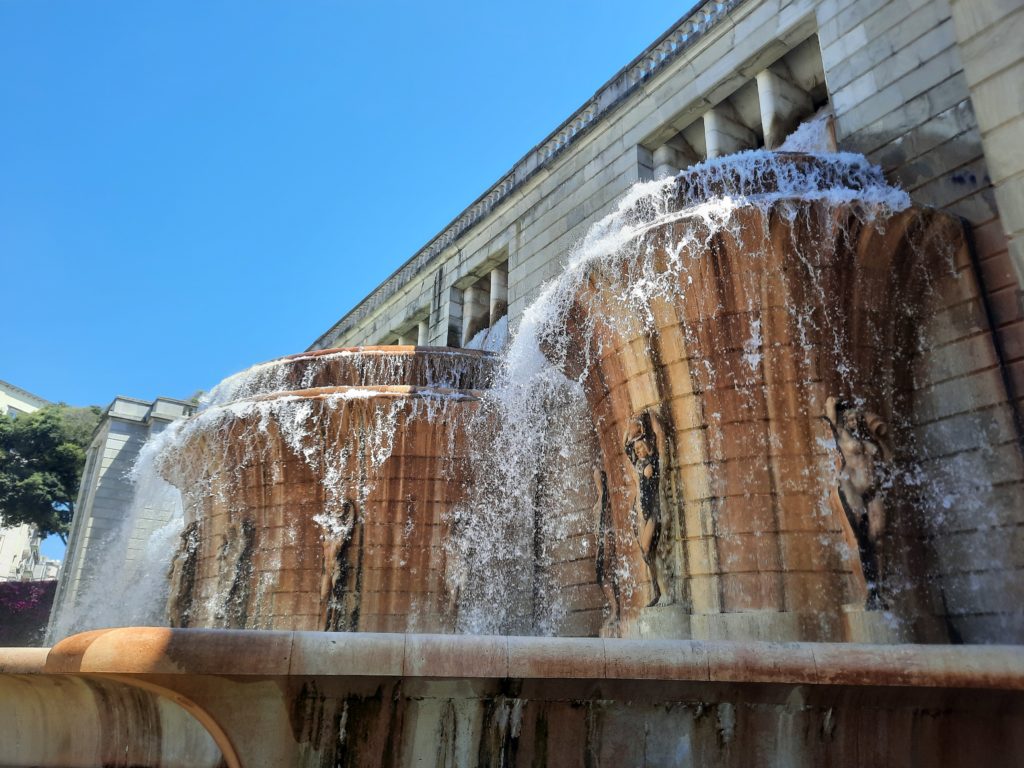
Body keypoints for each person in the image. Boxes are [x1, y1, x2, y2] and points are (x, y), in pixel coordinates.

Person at [822, 396, 894, 608]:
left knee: (878, 536)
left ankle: (880, 587)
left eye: (856, 419)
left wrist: (881, 437)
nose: (853, 422)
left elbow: (888, 458)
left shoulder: (868, 440)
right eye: (850, 419)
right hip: (851, 487)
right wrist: (832, 403)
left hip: (873, 490)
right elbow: (831, 418)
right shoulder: (843, 436)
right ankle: (870, 591)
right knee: (862, 538)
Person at [623, 410, 668, 607]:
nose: (638, 451)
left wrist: (651, 418)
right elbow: (626, 445)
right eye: (637, 449)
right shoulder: (639, 463)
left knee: (648, 547)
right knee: (647, 552)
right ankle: (657, 590)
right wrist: (630, 427)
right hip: (644, 512)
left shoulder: (654, 462)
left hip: (654, 512)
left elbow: (660, 437)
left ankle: (662, 591)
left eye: (641, 448)